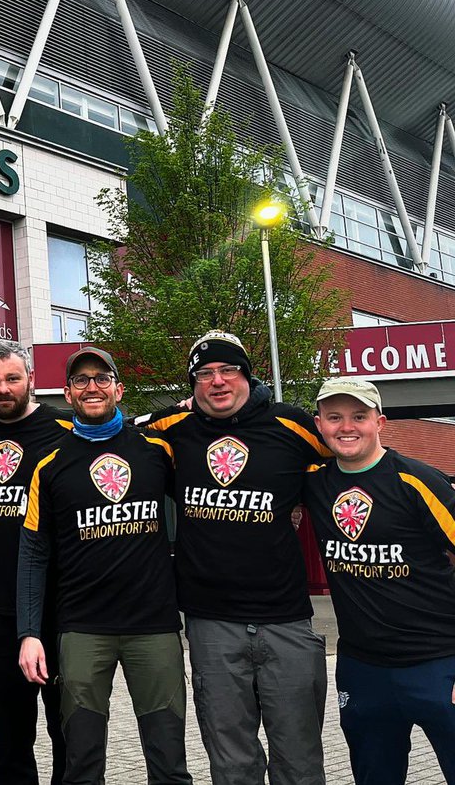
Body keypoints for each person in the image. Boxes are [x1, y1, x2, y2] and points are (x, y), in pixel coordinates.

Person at [142, 331, 329, 785]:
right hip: (211, 624)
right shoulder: (175, 431)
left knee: (299, 760)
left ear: (248, 375)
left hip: (286, 620)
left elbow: (351, 452)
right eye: (204, 374)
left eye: (228, 370)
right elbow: (115, 430)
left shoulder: (291, 424)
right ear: (192, 385)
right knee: (232, 763)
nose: (217, 381)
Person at [18, 347, 190, 785]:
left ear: (119, 388)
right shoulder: (49, 464)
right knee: (82, 762)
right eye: (81, 380)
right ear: (68, 394)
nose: (91, 386)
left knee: (169, 760)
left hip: (153, 626)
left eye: (101, 378)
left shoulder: (156, 449)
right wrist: (30, 634)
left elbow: (200, 509)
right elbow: (33, 555)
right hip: (82, 630)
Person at [306, 377, 455, 785]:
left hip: (438, 663)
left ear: (381, 422)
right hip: (362, 670)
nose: (346, 426)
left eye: (359, 416)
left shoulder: (417, 481)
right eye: (334, 417)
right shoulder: (314, 483)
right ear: (319, 425)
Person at [0, 341, 71, 784]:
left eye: (11, 378)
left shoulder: (66, 429)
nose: (3, 388)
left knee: (69, 730)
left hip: (60, 608)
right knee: (10, 734)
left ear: (30, 378)